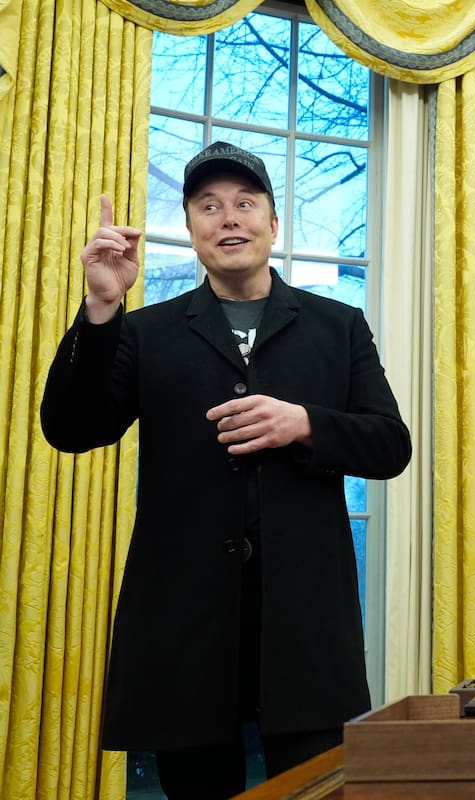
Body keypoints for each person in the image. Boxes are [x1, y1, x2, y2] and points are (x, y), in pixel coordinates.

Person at [40, 141, 412, 799]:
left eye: (245, 204)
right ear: (190, 230)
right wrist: (101, 308)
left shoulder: (338, 327)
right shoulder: (145, 331)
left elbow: (390, 445)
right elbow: (71, 430)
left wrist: (306, 424)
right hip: (185, 630)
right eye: (209, 207)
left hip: (305, 630)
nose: (228, 219)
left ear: (274, 224)